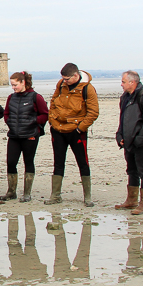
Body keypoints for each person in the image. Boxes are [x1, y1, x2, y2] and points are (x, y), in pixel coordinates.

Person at [46, 63, 100, 206]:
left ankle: (87, 197)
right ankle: (55, 195)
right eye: (63, 79)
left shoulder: (88, 88)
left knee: (82, 162)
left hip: (76, 131)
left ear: (76, 75)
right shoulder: (61, 84)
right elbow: (53, 101)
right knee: (58, 163)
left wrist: (80, 128)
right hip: (58, 129)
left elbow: (93, 112)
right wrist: (51, 119)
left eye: (67, 79)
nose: (65, 81)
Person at [0, 71, 48, 203]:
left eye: (15, 85)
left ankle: (27, 193)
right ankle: (11, 191)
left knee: (28, 162)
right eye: (12, 85)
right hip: (14, 135)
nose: (13, 87)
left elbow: (45, 115)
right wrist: (9, 122)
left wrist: (32, 121)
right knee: (11, 162)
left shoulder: (36, 97)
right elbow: (6, 113)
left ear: (23, 82)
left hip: (30, 135)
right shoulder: (11, 97)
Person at [115, 70, 143, 214]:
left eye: (124, 82)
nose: (122, 84)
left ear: (132, 82)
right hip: (128, 142)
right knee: (131, 171)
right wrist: (119, 135)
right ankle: (131, 200)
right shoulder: (124, 98)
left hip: (141, 143)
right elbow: (123, 119)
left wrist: (138, 139)